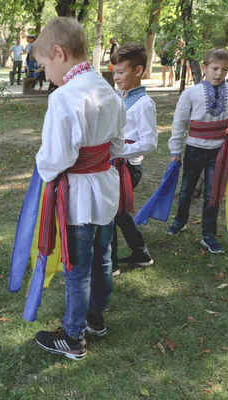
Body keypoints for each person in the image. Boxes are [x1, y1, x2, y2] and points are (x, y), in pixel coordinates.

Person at [30, 17, 126, 360]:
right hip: (105, 191)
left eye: (43, 65)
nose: (44, 73)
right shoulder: (109, 92)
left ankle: (72, 336)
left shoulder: (63, 98)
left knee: (77, 268)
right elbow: (117, 146)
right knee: (103, 257)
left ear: (59, 53)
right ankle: (95, 317)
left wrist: (42, 164)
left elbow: (55, 159)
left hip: (80, 197)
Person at [167, 47, 228, 254]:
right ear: (204, 67)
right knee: (187, 189)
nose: (219, 73)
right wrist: (175, 150)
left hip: (220, 150)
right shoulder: (190, 93)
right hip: (194, 148)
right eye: (215, 68)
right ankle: (180, 220)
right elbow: (179, 123)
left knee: (213, 193)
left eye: (225, 70)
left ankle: (208, 234)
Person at [110, 44, 158, 274]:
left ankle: (110, 264)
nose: (116, 77)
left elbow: (149, 142)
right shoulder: (118, 94)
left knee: (109, 212)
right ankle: (141, 253)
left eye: (121, 72)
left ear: (138, 71)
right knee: (118, 213)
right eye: (114, 72)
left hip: (128, 167)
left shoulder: (144, 104)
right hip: (113, 164)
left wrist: (117, 151)